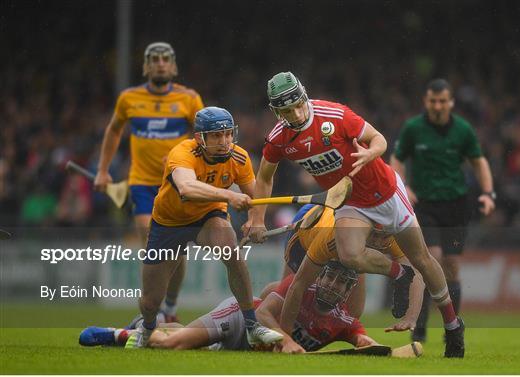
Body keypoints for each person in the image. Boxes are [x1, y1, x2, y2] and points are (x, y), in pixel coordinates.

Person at [244, 72, 465, 357]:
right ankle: (401, 273)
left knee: (422, 257)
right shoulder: (278, 138)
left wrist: (370, 153)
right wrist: (258, 219)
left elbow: (379, 139)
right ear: (276, 111)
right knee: (350, 256)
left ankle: (453, 326)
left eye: (298, 104)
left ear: (304, 95)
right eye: (287, 110)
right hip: (348, 199)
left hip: (384, 192)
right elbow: (264, 178)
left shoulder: (333, 115)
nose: (296, 113)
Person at [124, 106, 282, 348]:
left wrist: (255, 220)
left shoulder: (239, 158)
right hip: (168, 223)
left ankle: (252, 325)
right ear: (200, 138)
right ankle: (146, 328)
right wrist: (229, 195)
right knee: (150, 301)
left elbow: (256, 197)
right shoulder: (182, 153)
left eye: (228, 134)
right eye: (217, 136)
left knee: (231, 253)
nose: (225, 141)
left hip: (209, 216)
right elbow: (187, 188)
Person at [94, 42, 204, 321]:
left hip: (177, 184)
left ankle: (170, 306)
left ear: (173, 65)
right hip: (142, 184)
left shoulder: (189, 99)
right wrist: (103, 170)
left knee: (176, 250)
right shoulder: (129, 98)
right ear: (145, 66)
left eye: (165, 59)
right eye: (154, 59)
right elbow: (113, 131)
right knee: (153, 243)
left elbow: (204, 137)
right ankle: (153, 310)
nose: (160, 63)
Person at [390, 78, 495, 342]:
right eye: (433, 101)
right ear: (426, 101)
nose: (437, 106)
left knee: (451, 266)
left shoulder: (463, 130)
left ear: (451, 103)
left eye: (442, 101)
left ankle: (452, 330)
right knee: (431, 258)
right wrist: (403, 187)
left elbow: (478, 161)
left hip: (456, 206)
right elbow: (397, 159)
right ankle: (421, 331)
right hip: (424, 205)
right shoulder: (413, 128)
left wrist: (488, 193)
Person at [79, 261, 376, 353]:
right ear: (320, 275)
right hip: (239, 319)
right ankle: (114, 334)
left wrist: (371, 346)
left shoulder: (344, 322)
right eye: (330, 276)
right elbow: (261, 312)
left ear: (349, 290)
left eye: (341, 282)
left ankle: (149, 324)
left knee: (183, 337)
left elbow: (365, 342)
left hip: (245, 350)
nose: (331, 284)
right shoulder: (300, 288)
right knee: (177, 345)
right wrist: (286, 340)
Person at [265, 204, 425, 339]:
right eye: (375, 235)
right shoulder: (332, 236)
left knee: (353, 313)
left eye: (384, 237)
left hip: (349, 242)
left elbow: (416, 272)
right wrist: (287, 340)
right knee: (286, 293)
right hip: (307, 234)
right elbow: (296, 287)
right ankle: (260, 313)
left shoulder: (392, 237)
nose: (378, 243)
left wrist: (411, 317)